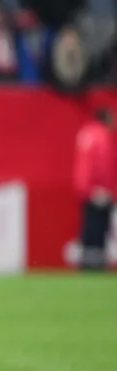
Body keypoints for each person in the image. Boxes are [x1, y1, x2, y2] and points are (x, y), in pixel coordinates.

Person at [74, 107, 115, 270]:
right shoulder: (102, 136)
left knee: (89, 226)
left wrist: (84, 187)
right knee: (99, 227)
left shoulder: (86, 134)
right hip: (99, 190)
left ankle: (87, 260)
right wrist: (105, 188)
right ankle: (95, 263)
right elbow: (103, 165)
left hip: (86, 189)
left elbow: (84, 166)